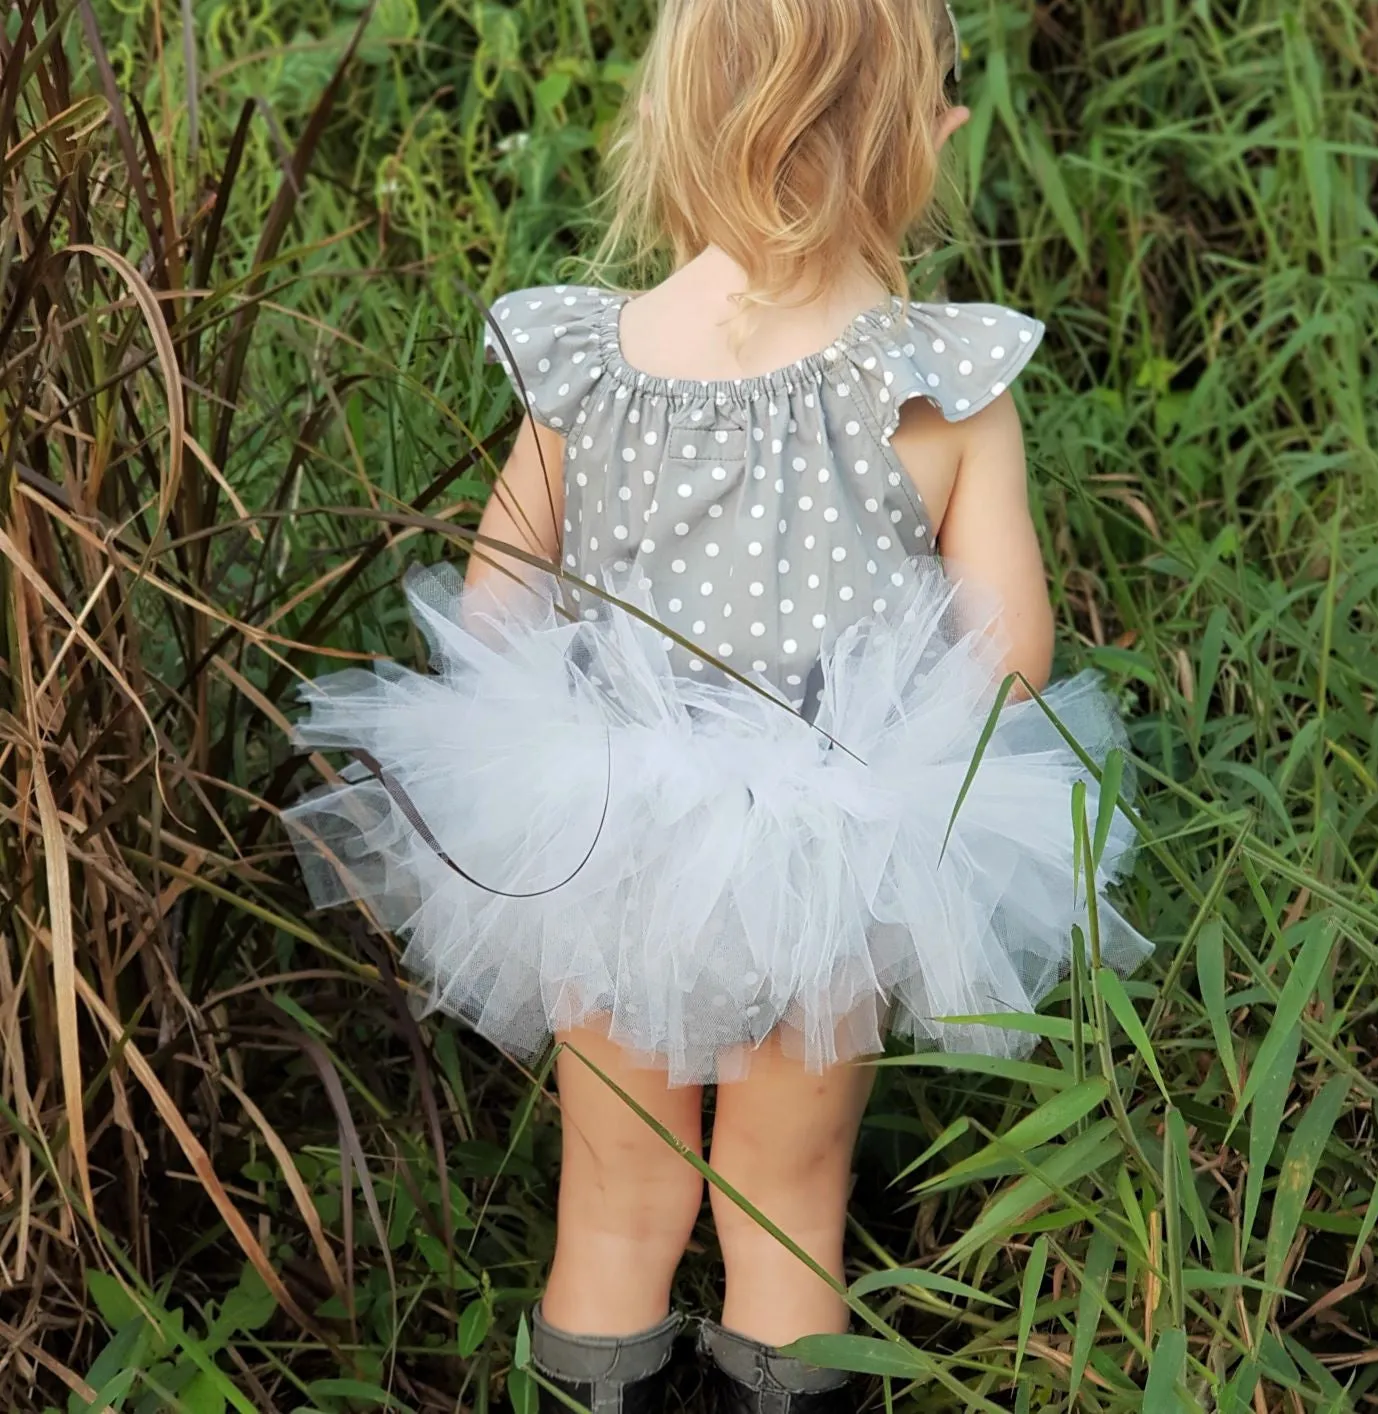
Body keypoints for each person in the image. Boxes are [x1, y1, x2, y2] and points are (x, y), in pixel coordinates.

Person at [282, 1, 1151, 1408]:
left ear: (680, 115)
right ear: (907, 138)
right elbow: (1012, 655)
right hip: (832, 852)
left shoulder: (592, 352)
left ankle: (590, 1387)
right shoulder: (940, 376)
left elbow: (494, 605)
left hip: (607, 841)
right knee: (788, 1197)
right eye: (944, 96)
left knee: (616, 1193)